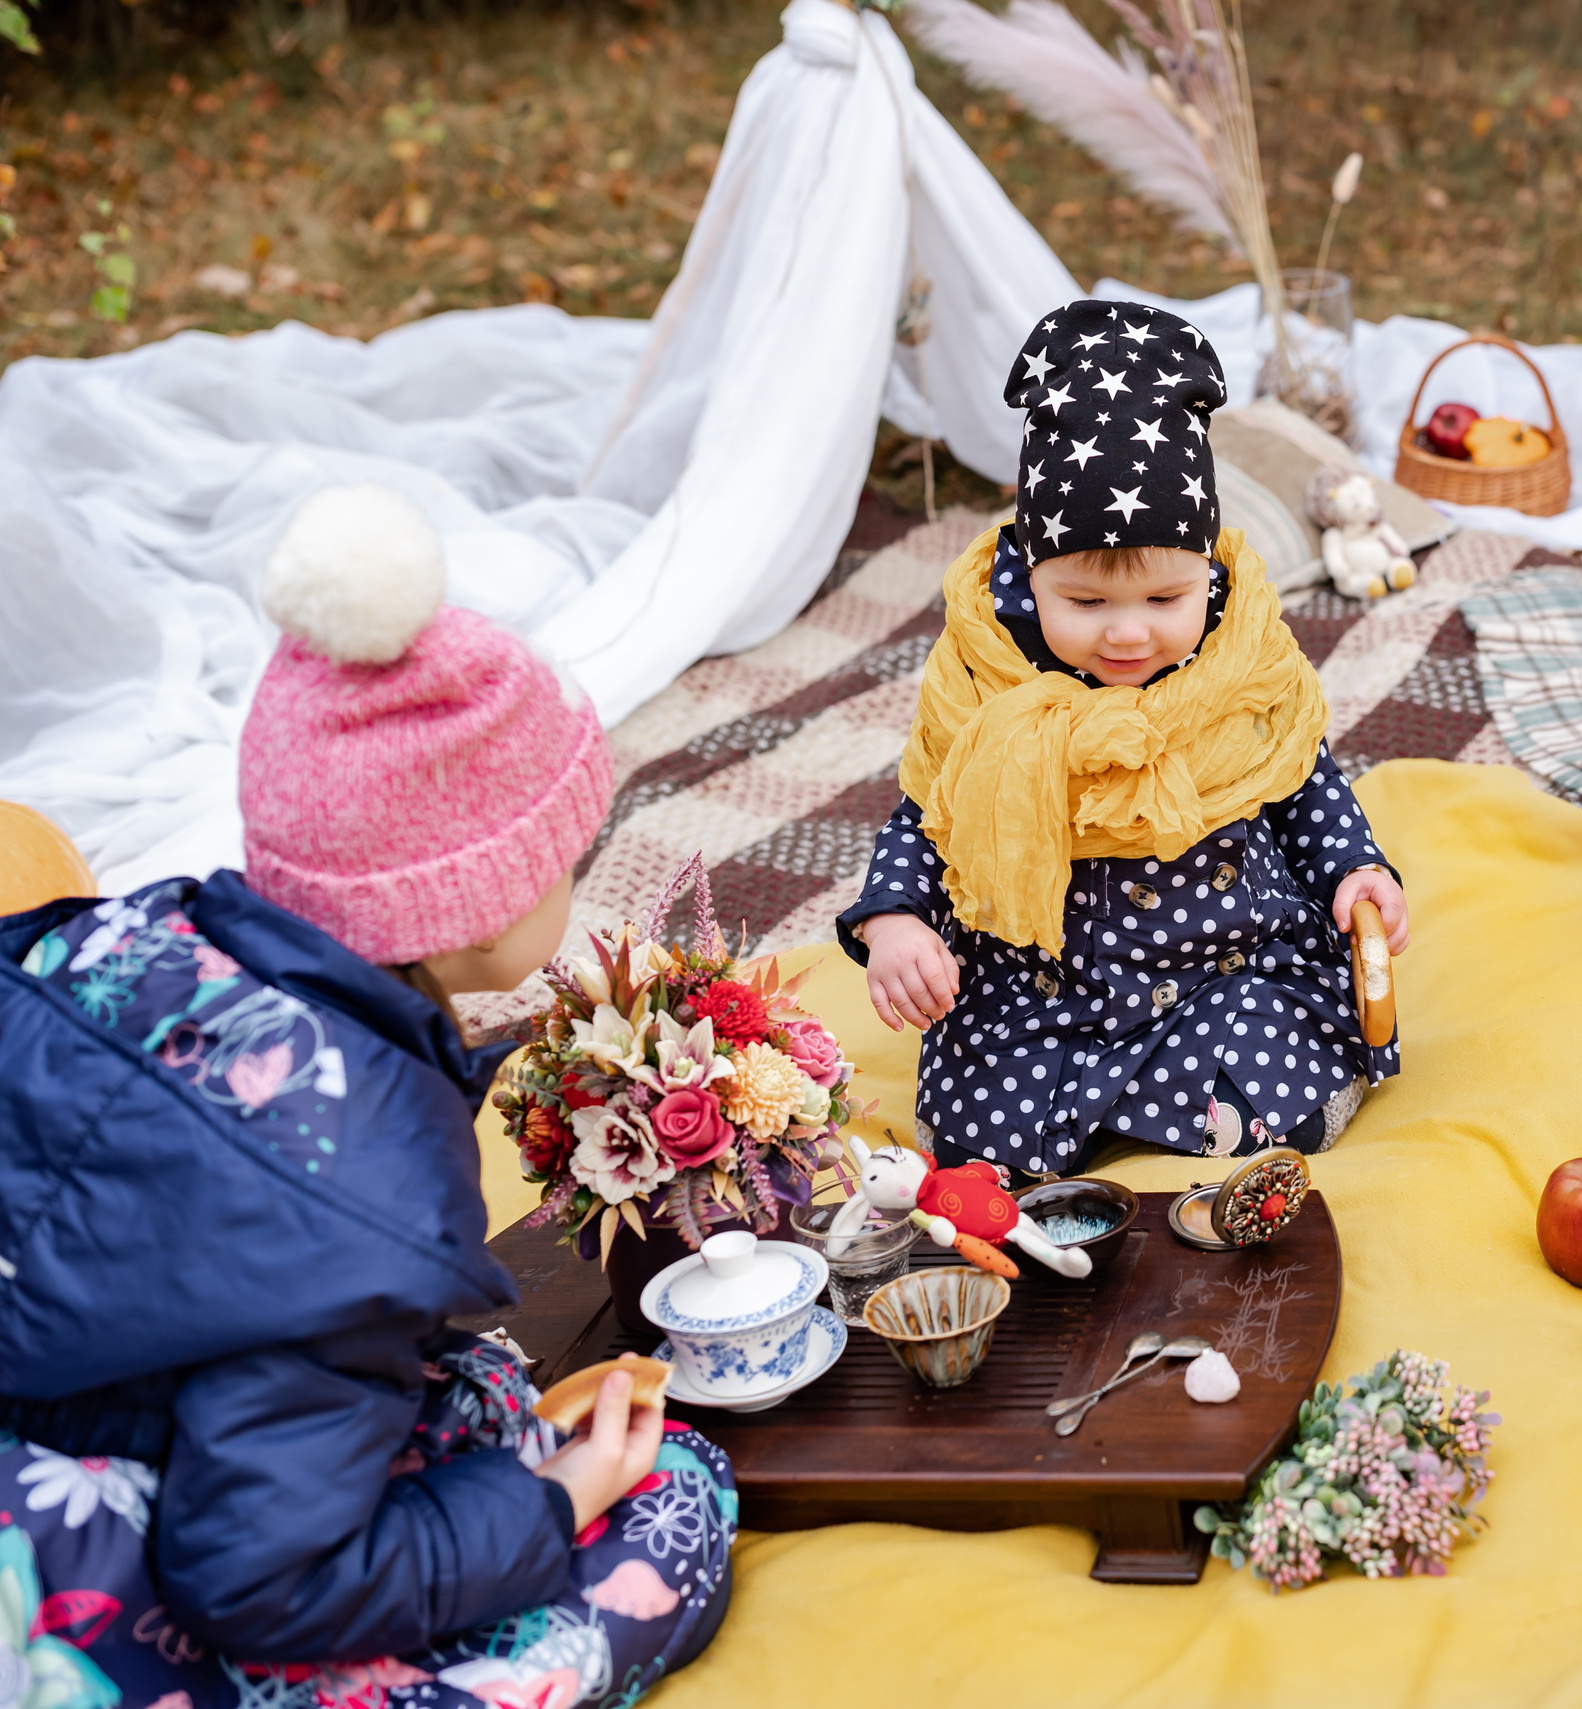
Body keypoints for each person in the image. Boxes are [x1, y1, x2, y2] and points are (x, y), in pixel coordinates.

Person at [0, 486, 733, 1708]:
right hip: (93, 1563)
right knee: (672, 1503)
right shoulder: (368, 1189)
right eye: (563, 854)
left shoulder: (137, 939)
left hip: (91, 1387)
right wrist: (550, 1502)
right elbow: (263, 1579)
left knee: (477, 1394)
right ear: (473, 901)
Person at [839, 298, 1410, 1177]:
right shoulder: (989, 673)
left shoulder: (1237, 657)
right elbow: (930, 812)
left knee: (1268, 1061)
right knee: (972, 1126)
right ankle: (1100, 1124)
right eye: (1087, 604)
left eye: (1163, 600)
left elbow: (1301, 781)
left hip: (1219, 965)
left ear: (1207, 575)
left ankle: (1205, 1116)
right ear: (1033, 574)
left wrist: (1356, 870)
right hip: (1043, 988)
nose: (1129, 636)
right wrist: (896, 921)